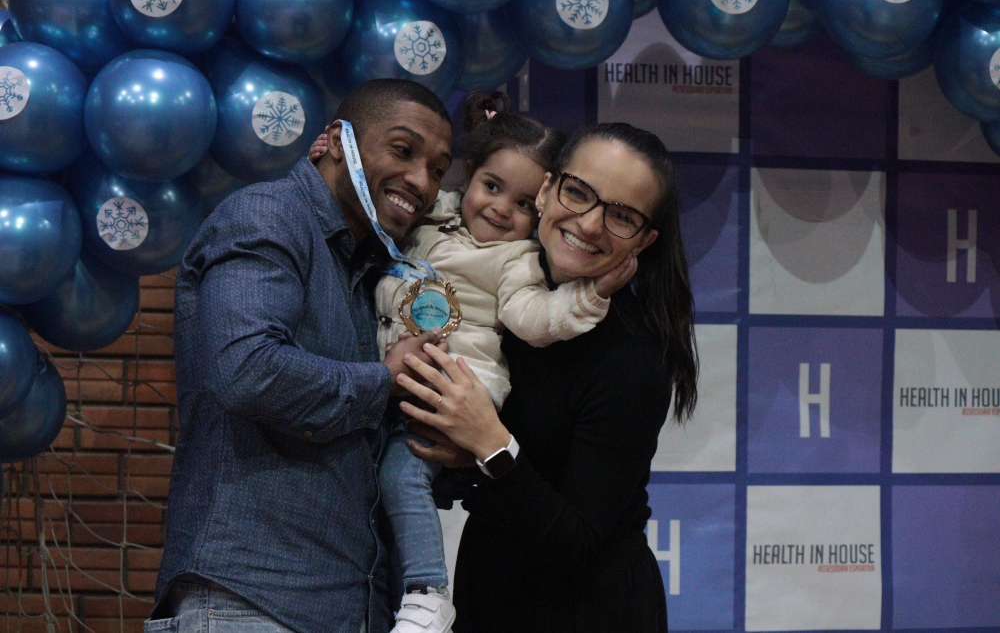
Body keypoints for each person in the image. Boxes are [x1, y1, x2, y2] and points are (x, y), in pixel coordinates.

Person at [149, 79, 455, 633]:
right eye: (402, 150)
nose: (421, 181)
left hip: (349, 606)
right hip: (251, 599)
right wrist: (384, 379)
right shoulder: (267, 215)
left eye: (437, 169)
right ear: (337, 141)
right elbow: (246, 370)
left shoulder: (376, 269)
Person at [393, 123, 699, 632]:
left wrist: (489, 442)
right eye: (578, 192)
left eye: (621, 216)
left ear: (645, 240)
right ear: (546, 190)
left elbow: (579, 543)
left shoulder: (632, 355)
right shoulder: (499, 288)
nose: (590, 223)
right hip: (489, 591)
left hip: (589, 611)